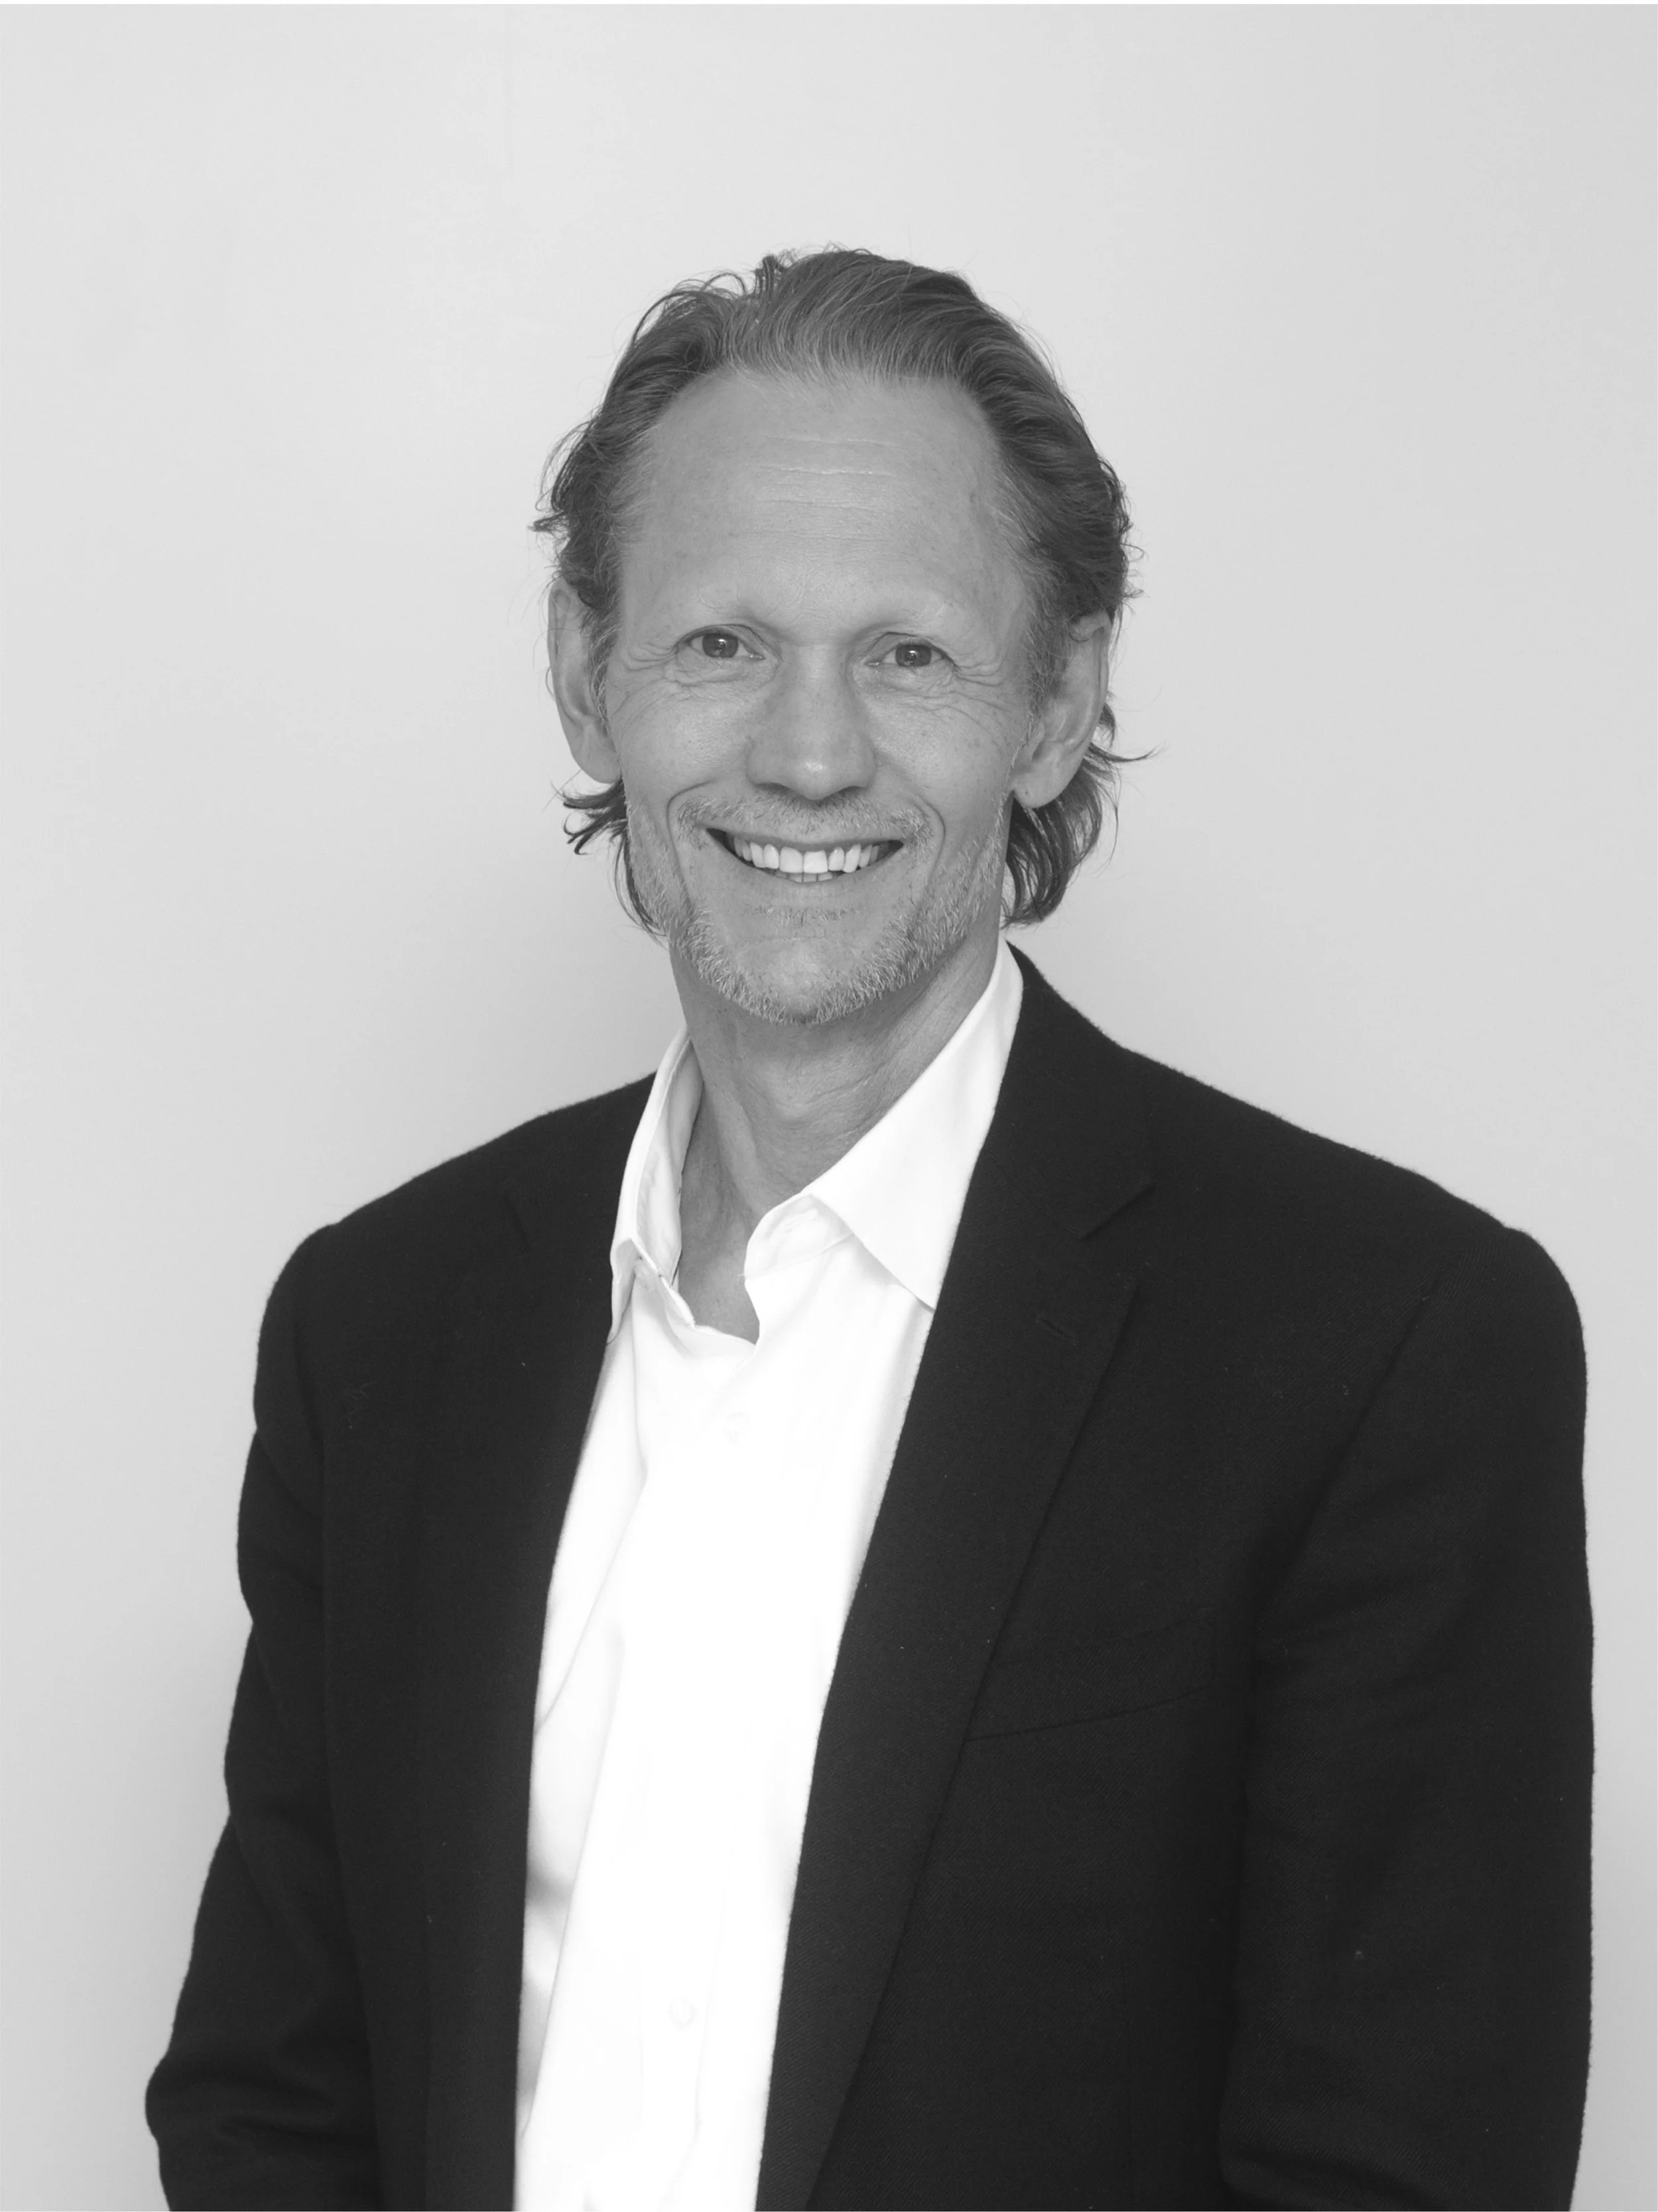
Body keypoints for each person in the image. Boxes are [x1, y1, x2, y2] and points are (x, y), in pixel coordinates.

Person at [147, 249, 1592, 2212]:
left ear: (1058, 703)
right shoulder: (382, 1324)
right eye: (721, 642)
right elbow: (273, 2098)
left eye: (907, 652)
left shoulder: (1383, 1348)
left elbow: (1398, 2171)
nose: (809, 753)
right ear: (586, 676)